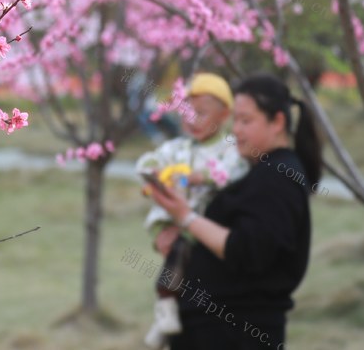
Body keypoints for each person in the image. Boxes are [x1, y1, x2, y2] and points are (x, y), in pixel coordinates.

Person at [147, 73, 323, 349]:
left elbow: (244, 249)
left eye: (246, 121)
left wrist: (186, 218)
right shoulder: (260, 171)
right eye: (235, 121)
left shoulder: (277, 177)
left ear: (277, 122)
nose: (236, 131)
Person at [135, 73, 248, 348]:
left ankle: (166, 310)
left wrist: (201, 177)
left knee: (179, 263)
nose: (191, 120)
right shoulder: (178, 147)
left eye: (201, 114)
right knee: (175, 260)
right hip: (171, 221)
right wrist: (155, 172)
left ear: (224, 116)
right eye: (186, 112)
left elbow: (235, 171)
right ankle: (166, 311)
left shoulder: (231, 147)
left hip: (202, 224)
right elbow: (148, 161)